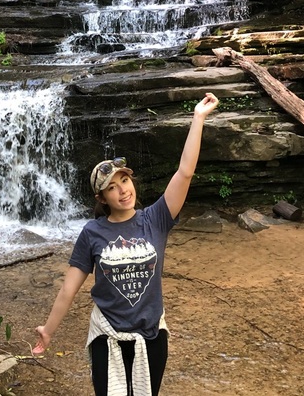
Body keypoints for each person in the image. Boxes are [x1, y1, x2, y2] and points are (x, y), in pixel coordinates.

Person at [32, 93, 220, 396]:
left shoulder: (156, 218)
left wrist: (197, 118)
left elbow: (185, 172)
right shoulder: (92, 232)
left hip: (151, 335)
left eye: (125, 181)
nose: (122, 190)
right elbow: (68, 289)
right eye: (112, 187)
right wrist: (48, 330)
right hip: (107, 336)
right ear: (102, 198)